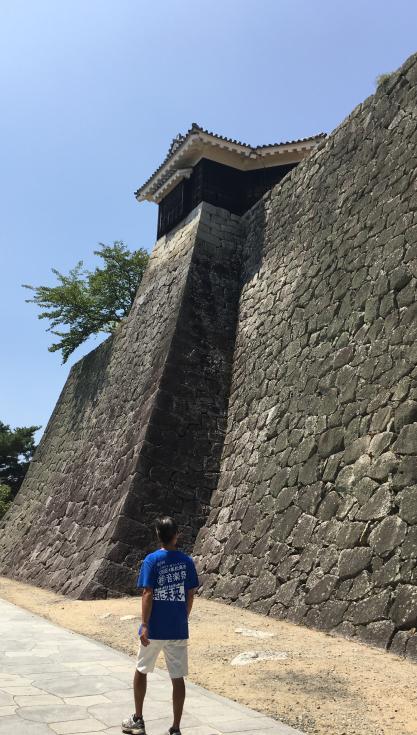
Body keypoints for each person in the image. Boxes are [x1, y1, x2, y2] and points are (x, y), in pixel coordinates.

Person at [122, 516, 200, 735]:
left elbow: (148, 592)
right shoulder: (186, 562)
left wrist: (144, 624)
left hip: (154, 628)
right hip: (177, 628)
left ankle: (138, 719)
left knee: (141, 670)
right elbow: (190, 593)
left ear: (158, 535)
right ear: (176, 535)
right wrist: (183, 616)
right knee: (177, 677)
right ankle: (175, 728)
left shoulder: (152, 560)